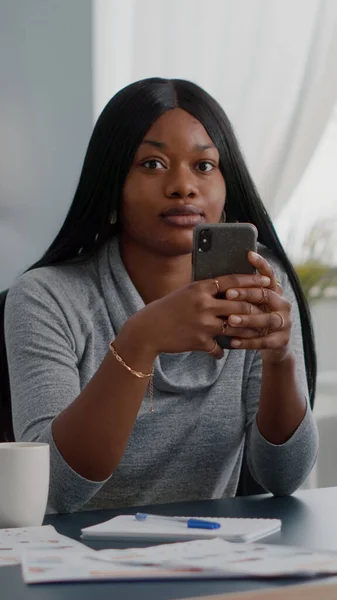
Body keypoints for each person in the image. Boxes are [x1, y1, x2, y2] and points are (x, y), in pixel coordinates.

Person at [4, 77, 318, 513]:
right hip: (73, 567)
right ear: (112, 184)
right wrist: (139, 340)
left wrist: (281, 359)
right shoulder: (46, 299)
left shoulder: (257, 286)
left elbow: (285, 480)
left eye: (204, 166)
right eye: (152, 164)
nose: (183, 186)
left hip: (212, 561)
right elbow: (56, 492)